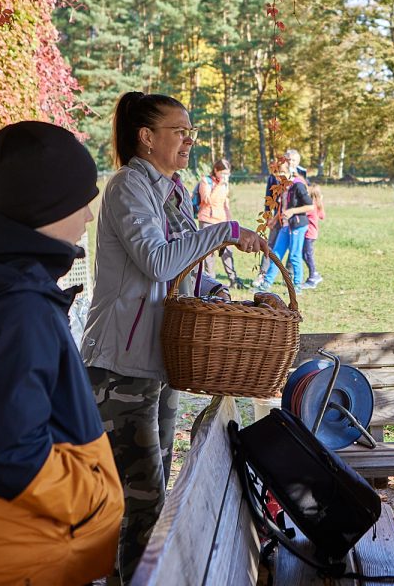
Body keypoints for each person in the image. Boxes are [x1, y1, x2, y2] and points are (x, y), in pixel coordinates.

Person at [0, 121, 122, 585]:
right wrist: (95, 495)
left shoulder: (0, 282)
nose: (88, 217)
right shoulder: (20, 308)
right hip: (22, 562)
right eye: (81, 201)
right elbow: (12, 454)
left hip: (3, 552)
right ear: (44, 208)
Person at [81, 92, 266, 585]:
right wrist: (224, 230)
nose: (190, 139)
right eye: (179, 130)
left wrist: (216, 289)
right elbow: (158, 261)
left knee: (150, 499)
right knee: (139, 503)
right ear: (146, 137)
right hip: (119, 366)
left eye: (191, 131)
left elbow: (179, 273)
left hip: (159, 365)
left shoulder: (172, 189)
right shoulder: (127, 189)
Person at [255, 154, 314, 293]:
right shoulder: (282, 188)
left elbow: (310, 206)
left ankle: (297, 285)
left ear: (289, 172)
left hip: (298, 225)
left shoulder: (298, 185)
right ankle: (267, 282)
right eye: (277, 173)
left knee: (294, 255)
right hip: (285, 225)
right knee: (276, 253)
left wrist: (293, 211)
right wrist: (273, 220)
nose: (278, 176)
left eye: (282, 173)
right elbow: (281, 208)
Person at [196, 158, 242, 287]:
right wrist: (220, 185)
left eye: (227, 173)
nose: (225, 176)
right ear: (216, 170)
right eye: (223, 172)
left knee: (227, 250)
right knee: (209, 253)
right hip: (208, 220)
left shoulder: (225, 183)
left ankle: (233, 279)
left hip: (223, 221)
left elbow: (225, 203)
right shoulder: (206, 182)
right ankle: (210, 281)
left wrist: (231, 221)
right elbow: (207, 200)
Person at [301, 183, 325, 289]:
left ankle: (313, 276)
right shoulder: (318, 205)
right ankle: (314, 274)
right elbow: (322, 216)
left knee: (307, 255)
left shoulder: (310, 206)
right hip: (313, 234)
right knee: (305, 254)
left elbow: (302, 214)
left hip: (308, 234)